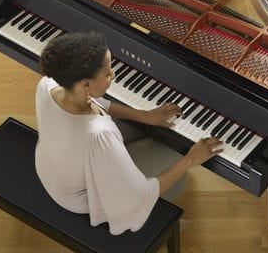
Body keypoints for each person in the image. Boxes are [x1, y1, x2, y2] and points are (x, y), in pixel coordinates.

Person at [34, 31, 223, 235]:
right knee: (176, 149)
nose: (113, 75)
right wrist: (191, 159)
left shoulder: (49, 85)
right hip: (80, 197)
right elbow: (140, 195)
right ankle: (161, 223)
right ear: (85, 83)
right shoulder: (98, 136)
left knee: (151, 133)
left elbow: (98, 103)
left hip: (53, 168)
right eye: (107, 74)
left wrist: (144, 116)